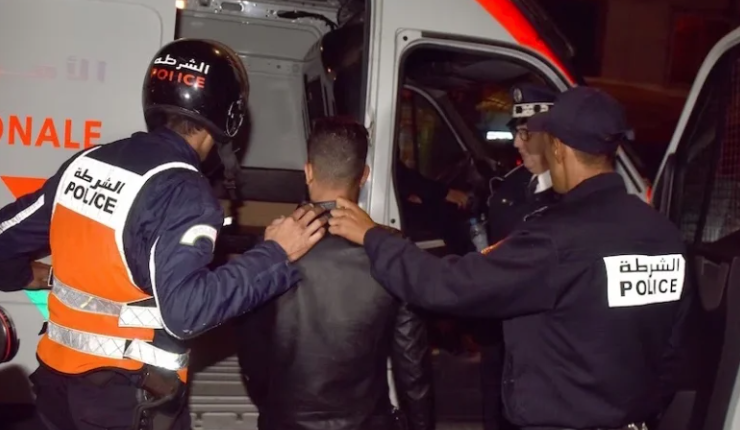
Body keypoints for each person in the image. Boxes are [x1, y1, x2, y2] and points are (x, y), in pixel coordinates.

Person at [0, 39, 326, 430]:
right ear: (231, 116)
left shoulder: (87, 163)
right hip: (124, 401)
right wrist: (276, 253)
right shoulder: (185, 192)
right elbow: (185, 313)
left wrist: (31, 275)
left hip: (55, 393)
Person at [327, 86, 693, 430]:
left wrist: (372, 236)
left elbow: (447, 285)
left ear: (558, 148)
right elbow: (674, 352)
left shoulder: (555, 239)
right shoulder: (664, 234)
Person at [237, 117, 434, 430]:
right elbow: (411, 363)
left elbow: (252, 353)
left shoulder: (271, 247)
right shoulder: (391, 251)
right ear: (364, 176)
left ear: (308, 172)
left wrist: (274, 408)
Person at [475, 83, 561, 430]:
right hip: (499, 329)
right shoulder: (510, 187)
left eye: (524, 133)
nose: (516, 143)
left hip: (541, 341)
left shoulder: (573, 198)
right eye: (517, 132)